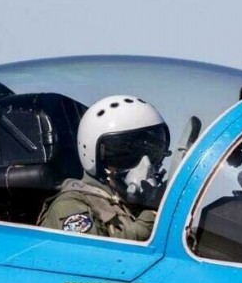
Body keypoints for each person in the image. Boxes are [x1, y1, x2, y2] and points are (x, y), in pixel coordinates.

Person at [38, 95, 170, 240]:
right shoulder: (70, 205)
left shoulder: (125, 202)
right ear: (93, 154)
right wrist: (151, 217)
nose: (146, 165)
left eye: (153, 152)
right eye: (125, 155)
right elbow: (92, 251)